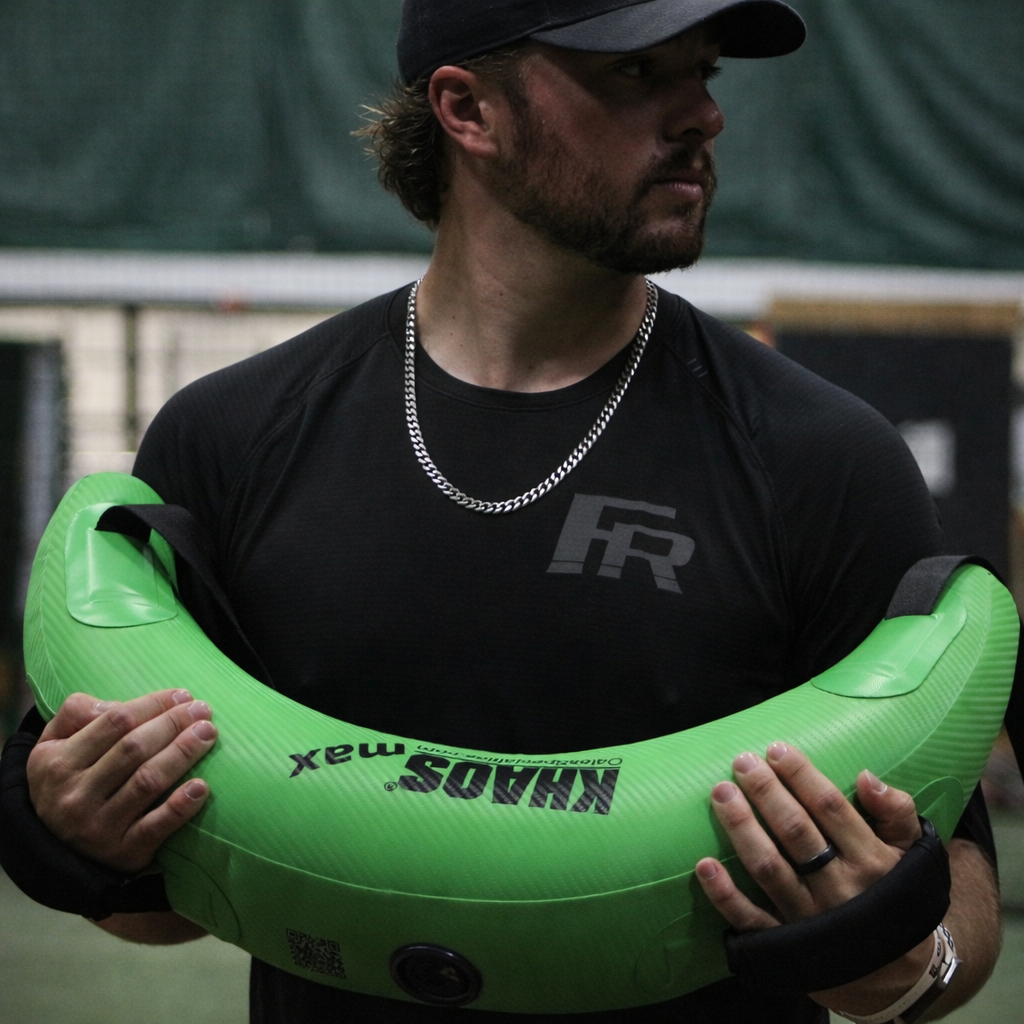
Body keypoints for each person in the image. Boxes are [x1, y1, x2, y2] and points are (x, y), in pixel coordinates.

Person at [13, 1, 1003, 1022]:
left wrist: (900, 967)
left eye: (702, 73)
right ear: (466, 109)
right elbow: (176, 900)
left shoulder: (822, 457)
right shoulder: (230, 435)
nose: (702, 116)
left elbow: (956, 871)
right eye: (633, 75)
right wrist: (87, 838)